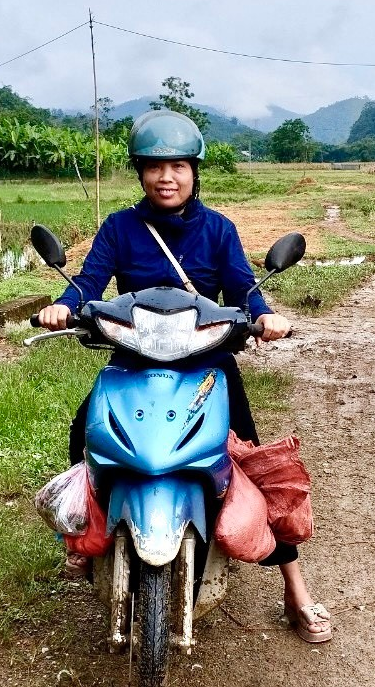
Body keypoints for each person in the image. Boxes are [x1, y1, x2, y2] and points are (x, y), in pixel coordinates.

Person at [37, 108, 332, 644]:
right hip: (133, 360)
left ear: (195, 171)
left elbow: (243, 290)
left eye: (177, 165)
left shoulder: (219, 229)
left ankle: (296, 587)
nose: (165, 177)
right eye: (153, 166)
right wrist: (62, 305)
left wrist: (264, 315)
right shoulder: (120, 228)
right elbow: (87, 282)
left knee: (251, 460)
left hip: (206, 364)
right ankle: (85, 537)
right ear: (139, 172)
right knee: (86, 430)